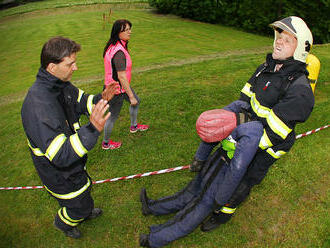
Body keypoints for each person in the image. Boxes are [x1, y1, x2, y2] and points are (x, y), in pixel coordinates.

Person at [139, 16, 315, 247]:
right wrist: (223, 130)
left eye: (287, 40)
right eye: (278, 36)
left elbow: (267, 137)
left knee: (217, 196)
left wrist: (234, 128)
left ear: (300, 48)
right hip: (238, 138)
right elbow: (242, 102)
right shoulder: (265, 69)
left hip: (257, 152)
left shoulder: (300, 91)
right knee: (200, 182)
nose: (278, 42)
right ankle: (153, 207)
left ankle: (160, 237)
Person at [21, 36, 118, 239]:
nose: (76, 67)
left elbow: (82, 102)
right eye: (70, 63)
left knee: (84, 192)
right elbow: (61, 156)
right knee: (76, 204)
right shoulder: (38, 107)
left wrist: (102, 98)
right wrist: (92, 129)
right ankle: (64, 222)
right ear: (52, 67)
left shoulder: (61, 85)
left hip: (74, 167)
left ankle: (84, 209)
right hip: (59, 175)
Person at [102, 19, 149, 150]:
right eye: (126, 30)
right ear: (118, 32)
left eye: (130, 29)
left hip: (119, 86)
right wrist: (130, 96)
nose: (130, 32)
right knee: (112, 116)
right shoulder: (119, 52)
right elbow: (122, 76)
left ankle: (134, 126)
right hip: (117, 90)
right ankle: (106, 143)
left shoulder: (115, 46)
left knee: (137, 101)